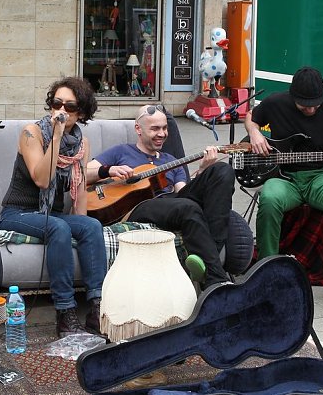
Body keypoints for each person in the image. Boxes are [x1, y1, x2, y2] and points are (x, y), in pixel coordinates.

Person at [244, 66, 323, 300]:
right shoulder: (276, 102)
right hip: (282, 176)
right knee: (270, 198)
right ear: (293, 97)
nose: (311, 108)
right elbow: (252, 115)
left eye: (316, 103)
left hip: (319, 175)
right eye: (305, 104)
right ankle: (266, 271)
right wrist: (254, 133)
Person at [0, 77, 107, 338]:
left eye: (69, 107)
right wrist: (56, 138)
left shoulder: (81, 144)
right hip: (18, 212)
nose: (61, 111)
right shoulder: (32, 133)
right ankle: (65, 312)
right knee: (58, 227)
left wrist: (80, 229)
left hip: (51, 214)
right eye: (57, 104)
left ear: (80, 112)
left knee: (91, 226)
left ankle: (97, 309)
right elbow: (42, 179)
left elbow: (79, 191)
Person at [87, 105, 236, 289]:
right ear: (138, 129)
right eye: (155, 129)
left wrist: (204, 169)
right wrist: (109, 170)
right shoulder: (121, 151)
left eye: (165, 128)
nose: (162, 134)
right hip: (139, 206)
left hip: (172, 204)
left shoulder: (172, 160)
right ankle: (216, 280)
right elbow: (84, 172)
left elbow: (183, 193)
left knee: (223, 170)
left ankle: (208, 260)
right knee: (187, 208)